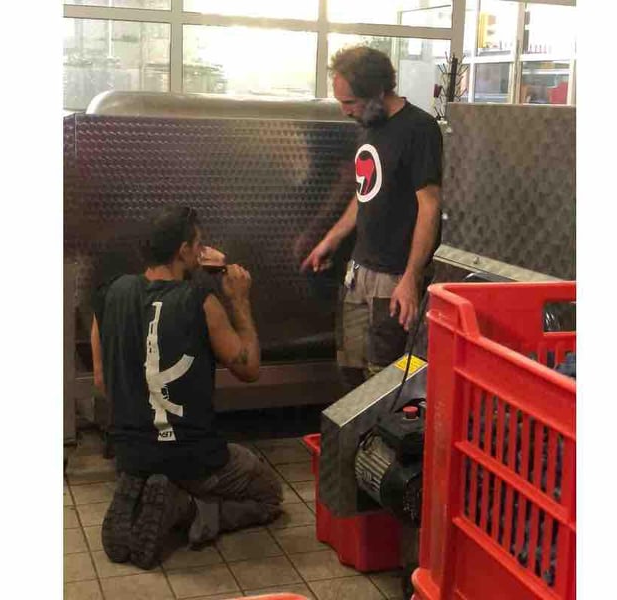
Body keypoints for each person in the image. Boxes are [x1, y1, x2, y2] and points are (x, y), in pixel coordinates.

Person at [96, 205, 283, 569]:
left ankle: (142, 489)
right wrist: (239, 299)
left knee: (151, 462)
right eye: (197, 245)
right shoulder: (202, 302)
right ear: (183, 250)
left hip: (130, 454)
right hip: (192, 458)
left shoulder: (109, 294)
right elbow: (250, 369)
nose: (202, 251)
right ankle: (187, 508)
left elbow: (104, 382)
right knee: (269, 496)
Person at [300, 46, 443, 384]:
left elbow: (430, 206)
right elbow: (365, 192)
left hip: (393, 278)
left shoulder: (419, 129)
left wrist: (411, 278)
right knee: (350, 369)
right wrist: (330, 240)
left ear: (378, 92)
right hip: (359, 270)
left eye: (350, 102)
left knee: (382, 378)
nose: (345, 111)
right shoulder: (370, 124)